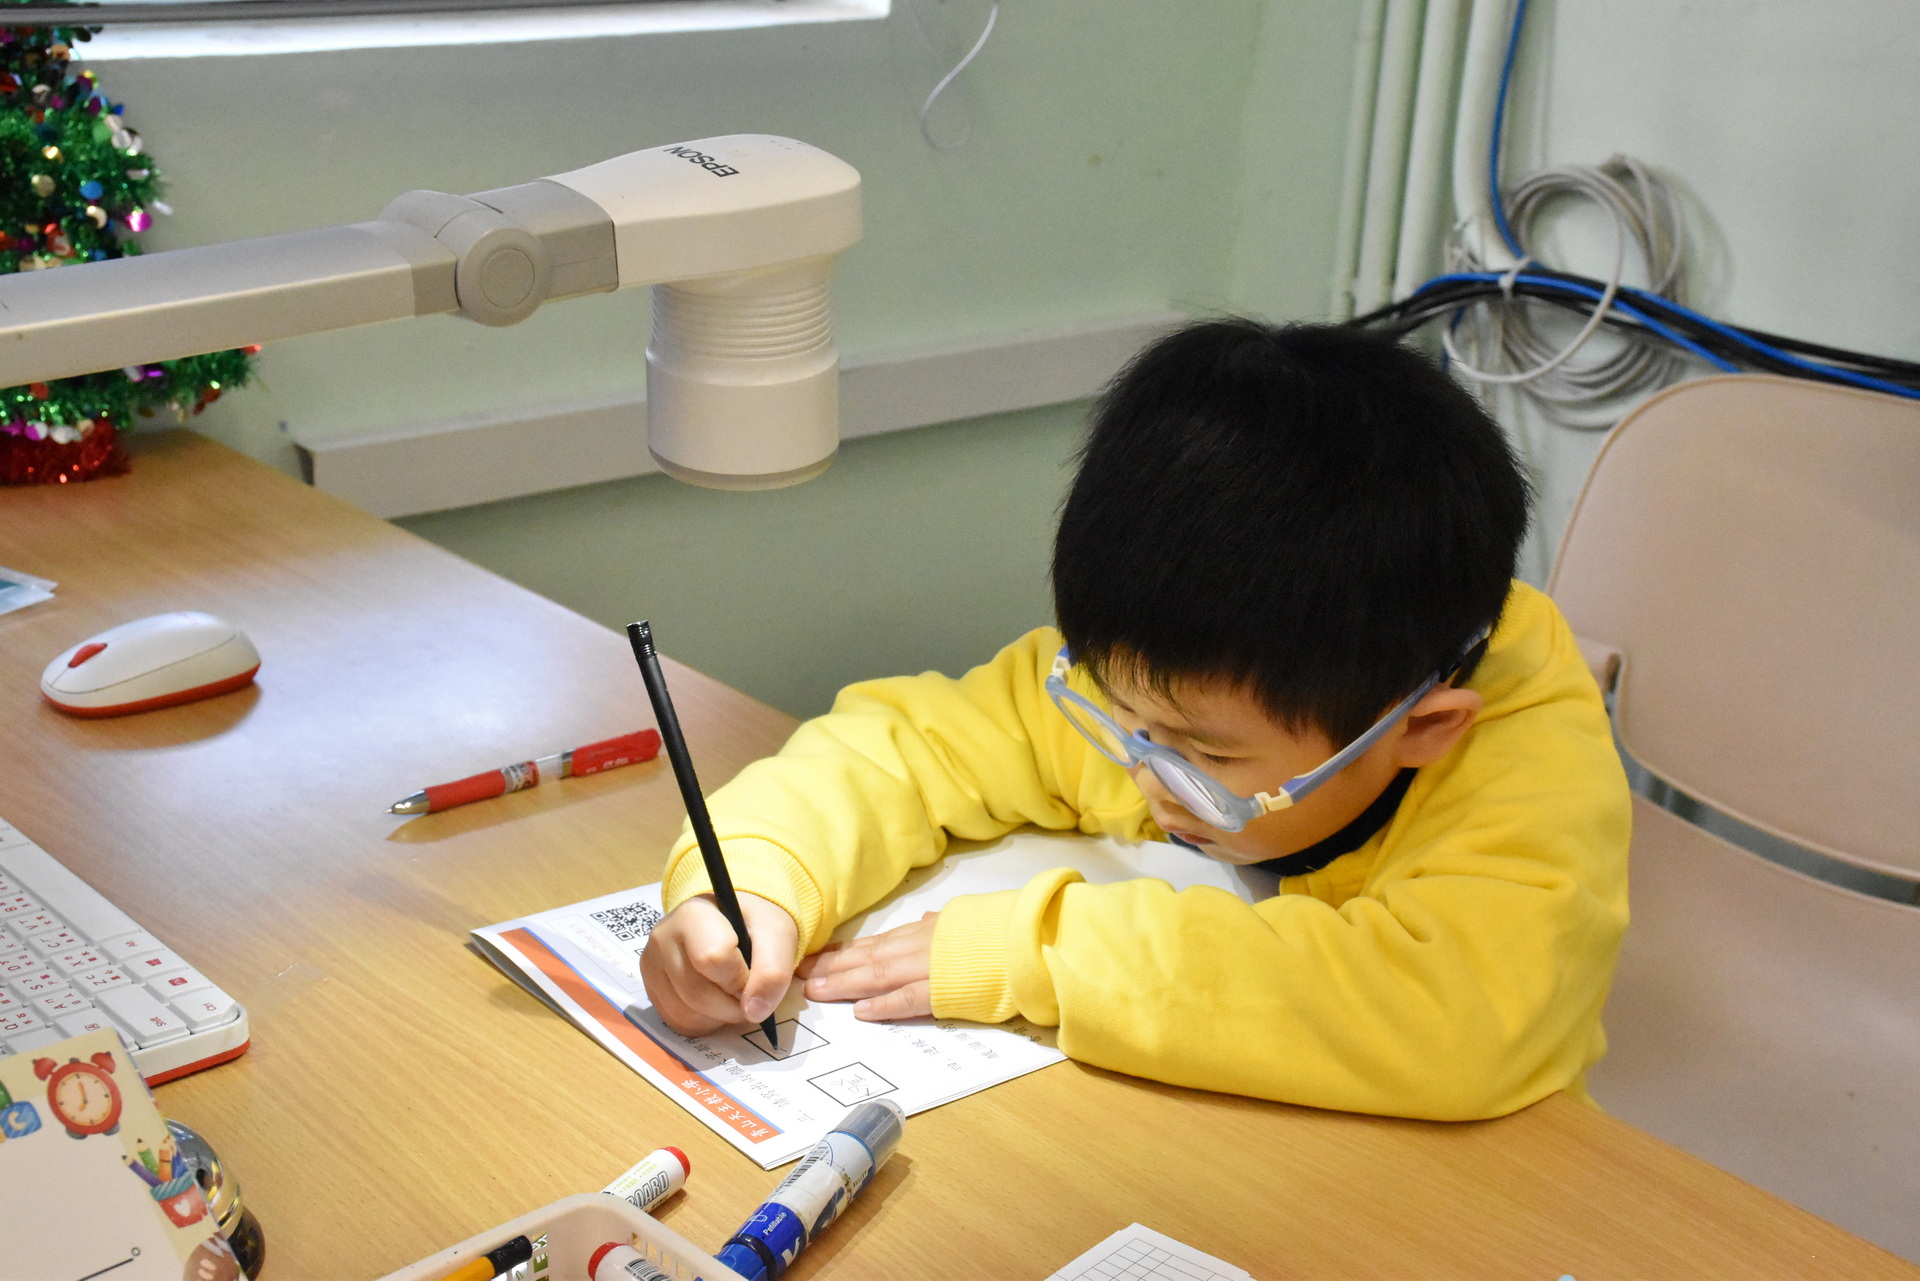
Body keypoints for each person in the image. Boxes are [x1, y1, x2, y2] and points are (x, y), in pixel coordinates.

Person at [638, 319, 1630, 1120]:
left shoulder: (1523, 766)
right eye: (1120, 716)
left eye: (1206, 755)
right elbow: (896, 751)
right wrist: (752, 884)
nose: (1150, 773)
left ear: (1420, 730)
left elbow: (1451, 1016)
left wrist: (1033, 953)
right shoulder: (1179, 679)